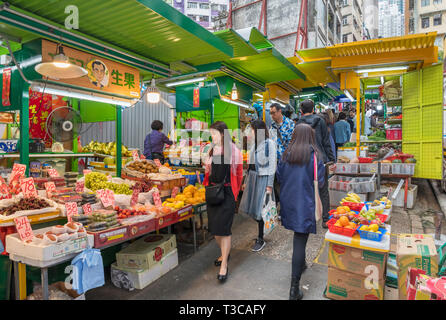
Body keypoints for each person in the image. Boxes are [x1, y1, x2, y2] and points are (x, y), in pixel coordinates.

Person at [277, 124, 325, 300]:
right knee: (300, 240)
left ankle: (302, 264)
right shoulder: (314, 156)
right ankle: (294, 289)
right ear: (310, 136)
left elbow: (280, 177)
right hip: (306, 203)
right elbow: (320, 182)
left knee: (298, 237)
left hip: (289, 202)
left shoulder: (286, 154)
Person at [203, 121, 243, 283]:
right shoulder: (211, 151)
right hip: (213, 193)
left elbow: (239, 173)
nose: (212, 136)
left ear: (223, 134)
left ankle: (224, 264)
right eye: (211, 133)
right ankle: (224, 252)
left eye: (214, 133)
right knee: (215, 229)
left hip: (226, 193)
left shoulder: (233, 151)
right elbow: (208, 173)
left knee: (224, 230)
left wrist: (234, 193)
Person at [239, 120, 277, 252]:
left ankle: (261, 238)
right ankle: (260, 236)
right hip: (253, 179)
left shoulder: (270, 144)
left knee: (261, 210)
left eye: (253, 129)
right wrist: (245, 181)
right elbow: (250, 165)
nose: (251, 132)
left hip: (263, 180)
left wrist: (269, 185)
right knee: (254, 208)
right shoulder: (254, 145)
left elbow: (272, 165)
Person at [297, 100, 335, 229]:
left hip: (304, 160)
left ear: (301, 111)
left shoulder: (298, 123)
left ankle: (308, 218)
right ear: (313, 109)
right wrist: (331, 159)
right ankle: (325, 219)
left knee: (306, 190)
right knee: (323, 190)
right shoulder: (321, 122)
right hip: (320, 159)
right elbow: (326, 141)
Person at [270, 103, 295, 202]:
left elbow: (293, 144)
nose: (272, 115)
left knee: (286, 186)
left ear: (280, 111)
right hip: (275, 162)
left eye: (274, 113)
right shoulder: (271, 127)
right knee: (276, 186)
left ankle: (286, 207)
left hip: (286, 162)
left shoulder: (290, 124)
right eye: (270, 113)